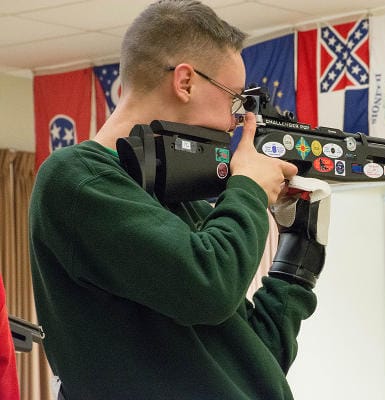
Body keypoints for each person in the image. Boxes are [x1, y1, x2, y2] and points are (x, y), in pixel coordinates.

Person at [29, 1, 329, 398]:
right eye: (234, 99)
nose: (234, 122)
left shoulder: (177, 201)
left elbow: (258, 357)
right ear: (185, 81)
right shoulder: (79, 179)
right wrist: (249, 188)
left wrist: (299, 252)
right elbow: (210, 287)